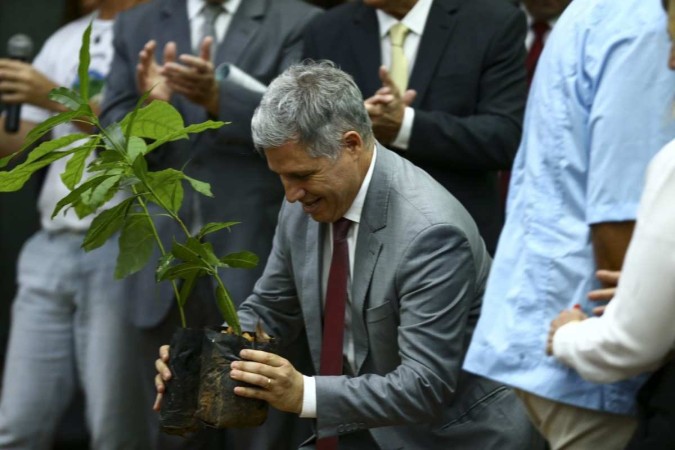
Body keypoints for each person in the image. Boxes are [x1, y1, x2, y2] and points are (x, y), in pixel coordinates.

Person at [154, 60, 540, 449]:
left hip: (453, 437)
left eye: (303, 175)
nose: (290, 195)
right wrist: (206, 359)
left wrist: (302, 393)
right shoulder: (306, 201)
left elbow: (425, 385)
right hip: (359, 427)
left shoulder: (431, 232)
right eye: (282, 177)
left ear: (352, 144)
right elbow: (272, 308)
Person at [99, 1, 322, 449]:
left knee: (259, 423)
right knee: (173, 425)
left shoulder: (300, 21)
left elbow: (307, 130)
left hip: (253, 256)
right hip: (162, 263)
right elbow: (112, 145)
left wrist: (220, 99)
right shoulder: (137, 22)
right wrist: (149, 112)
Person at [463, 0, 675, 448]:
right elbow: (621, 209)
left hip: (580, 335)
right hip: (600, 350)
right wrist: (632, 327)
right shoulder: (643, 21)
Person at [0, 1, 150, 449]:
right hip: (51, 239)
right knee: (16, 426)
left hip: (120, 240)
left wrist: (51, 94)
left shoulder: (161, 27)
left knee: (115, 426)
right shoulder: (64, 39)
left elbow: (132, 139)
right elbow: (15, 144)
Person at [302, 0, 528, 255]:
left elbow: (505, 137)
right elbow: (306, 135)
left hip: (454, 239)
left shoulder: (492, 22)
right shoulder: (327, 28)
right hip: (352, 239)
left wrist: (405, 126)